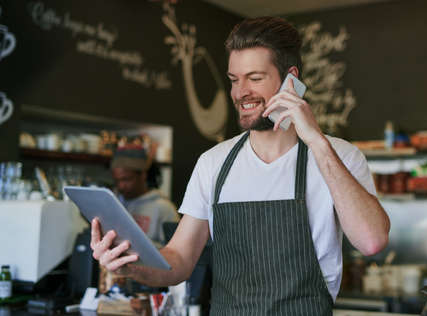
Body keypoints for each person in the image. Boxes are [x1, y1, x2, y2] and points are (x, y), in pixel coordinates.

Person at [91, 16, 390, 315]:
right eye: (235, 80)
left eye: (255, 78)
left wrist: (316, 141)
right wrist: (132, 265)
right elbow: (179, 261)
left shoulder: (339, 156)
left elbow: (371, 241)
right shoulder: (214, 163)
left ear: (291, 80)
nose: (240, 92)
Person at [110, 145, 179, 247]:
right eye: (117, 181)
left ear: (143, 175)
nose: (121, 186)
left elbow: (176, 250)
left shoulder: (164, 208)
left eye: (126, 179)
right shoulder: (114, 203)